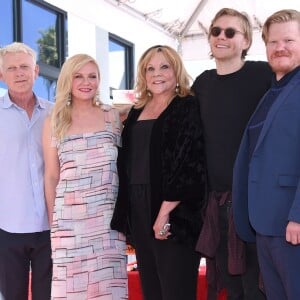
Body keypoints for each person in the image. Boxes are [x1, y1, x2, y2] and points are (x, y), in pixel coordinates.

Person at [111, 45, 207, 300]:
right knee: (151, 290)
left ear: (176, 70)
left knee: (176, 291)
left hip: (174, 212)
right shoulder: (135, 111)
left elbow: (190, 163)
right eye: (150, 68)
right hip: (138, 208)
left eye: (164, 66)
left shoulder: (186, 105)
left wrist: (164, 213)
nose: (157, 74)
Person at [192, 8, 273, 300]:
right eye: (216, 31)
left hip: (256, 205)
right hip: (217, 205)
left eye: (230, 32)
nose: (221, 37)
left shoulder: (264, 74)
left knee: (259, 288)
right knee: (231, 289)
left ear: (247, 41)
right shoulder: (202, 83)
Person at [42, 53, 128, 299]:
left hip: (108, 221)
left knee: (108, 290)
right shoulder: (54, 120)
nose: (86, 82)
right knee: (71, 290)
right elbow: (51, 176)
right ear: (68, 80)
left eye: (92, 76)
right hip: (68, 224)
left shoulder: (112, 116)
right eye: (78, 76)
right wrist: (54, 224)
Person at [232, 9, 300, 300]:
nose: (280, 47)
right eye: (273, 42)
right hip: (265, 224)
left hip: (291, 225)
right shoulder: (271, 92)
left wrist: (298, 216)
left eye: (289, 40)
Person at [0, 42, 53, 299]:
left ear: (37, 71)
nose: (19, 73)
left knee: (50, 296)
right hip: (7, 228)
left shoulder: (55, 113)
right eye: (11, 68)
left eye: (25, 66)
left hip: (50, 226)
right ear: (1, 75)